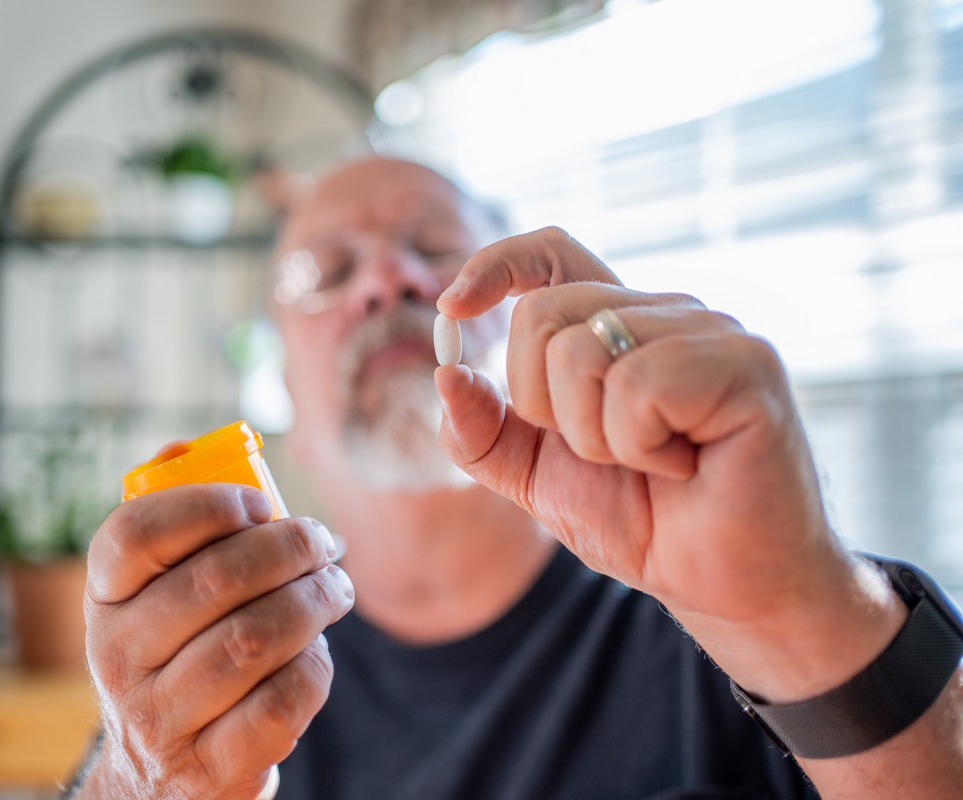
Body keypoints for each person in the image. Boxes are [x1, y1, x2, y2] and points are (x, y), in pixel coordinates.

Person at [72, 157, 963, 799]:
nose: (387, 278)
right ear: (289, 415)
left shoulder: (722, 628)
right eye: (326, 273)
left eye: (434, 248)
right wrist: (135, 789)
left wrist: (798, 614)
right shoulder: (208, 702)